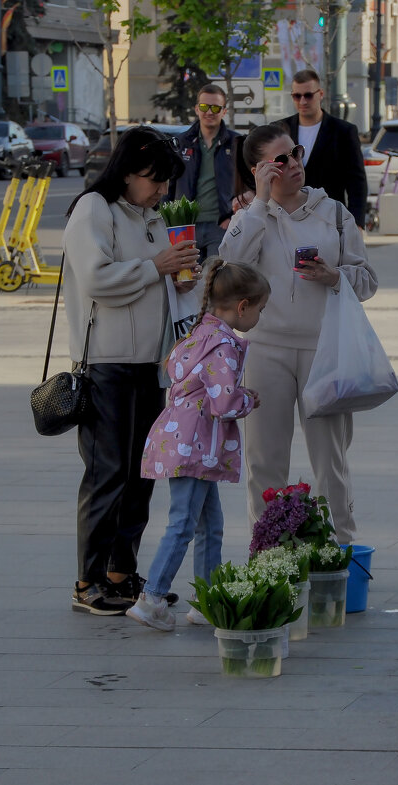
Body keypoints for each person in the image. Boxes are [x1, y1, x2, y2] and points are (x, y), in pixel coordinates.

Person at [63, 125, 201, 616]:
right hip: (106, 362)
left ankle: (121, 571)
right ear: (127, 172)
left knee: (142, 474)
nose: (162, 191)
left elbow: (160, 281)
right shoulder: (94, 210)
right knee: (108, 472)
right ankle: (88, 580)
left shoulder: (151, 216)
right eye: (155, 180)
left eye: (166, 183)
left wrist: (185, 275)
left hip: (150, 364)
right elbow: (97, 279)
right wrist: (156, 266)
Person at [220, 123, 378, 544]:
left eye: (297, 154)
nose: (294, 165)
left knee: (331, 463)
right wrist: (257, 205)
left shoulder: (334, 214)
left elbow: (368, 281)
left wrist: (335, 276)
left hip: (323, 350)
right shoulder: (250, 217)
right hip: (266, 351)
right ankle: (268, 557)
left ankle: (340, 554)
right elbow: (230, 268)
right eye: (281, 160)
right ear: (260, 170)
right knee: (264, 463)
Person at [128, 259, 270, 631]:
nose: (258, 317)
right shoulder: (222, 345)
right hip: (195, 445)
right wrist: (248, 400)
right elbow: (223, 403)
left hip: (188, 442)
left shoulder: (199, 334)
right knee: (184, 524)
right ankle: (152, 599)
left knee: (211, 525)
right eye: (259, 309)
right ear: (243, 306)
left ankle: (206, 600)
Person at [278, 69, 369, 229]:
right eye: (297, 96)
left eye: (308, 95)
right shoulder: (280, 129)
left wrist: (357, 223)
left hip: (329, 218)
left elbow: (357, 181)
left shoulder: (343, 131)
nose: (303, 101)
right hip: (287, 218)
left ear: (320, 94)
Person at [167, 84, 239, 262]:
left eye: (215, 107)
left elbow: (249, 184)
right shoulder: (181, 143)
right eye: (204, 107)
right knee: (186, 281)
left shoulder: (237, 143)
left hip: (221, 226)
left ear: (224, 111)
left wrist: (234, 217)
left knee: (216, 280)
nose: (209, 112)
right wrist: (167, 221)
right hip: (185, 226)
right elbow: (168, 183)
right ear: (197, 109)